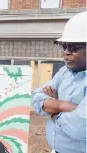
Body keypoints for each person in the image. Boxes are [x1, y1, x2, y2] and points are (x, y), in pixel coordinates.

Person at [32, 11, 86, 153]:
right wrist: (63, 105)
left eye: (73, 47)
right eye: (64, 46)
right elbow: (36, 98)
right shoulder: (64, 72)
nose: (66, 52)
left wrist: (53, 111)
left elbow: (79, 127)